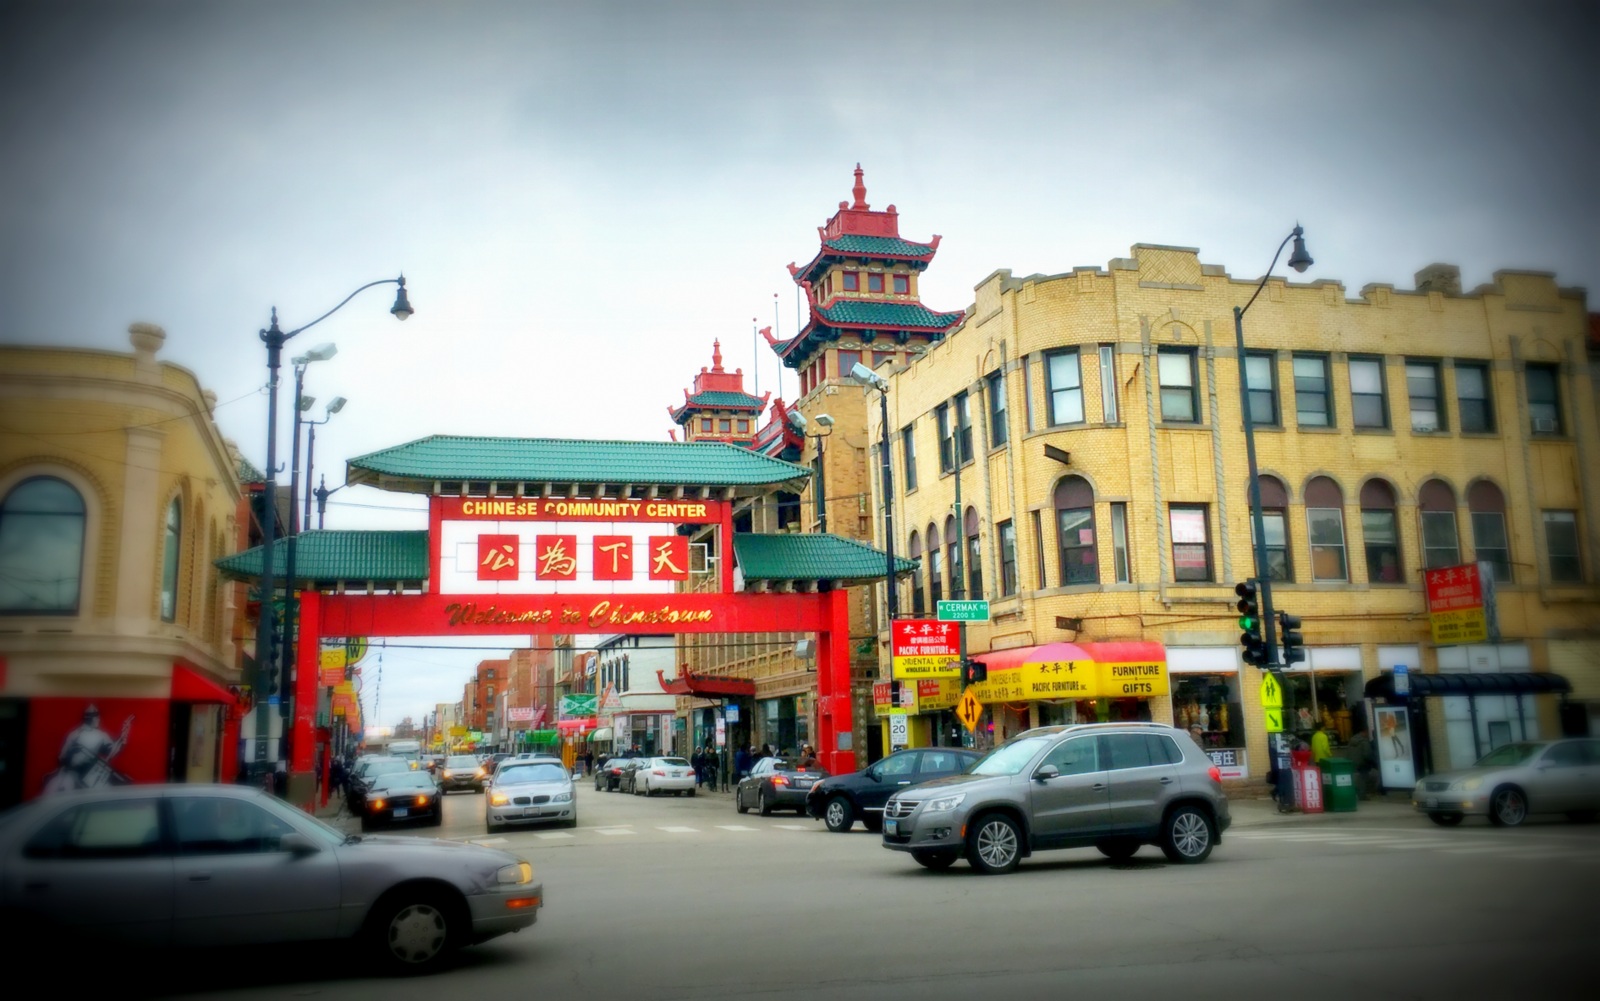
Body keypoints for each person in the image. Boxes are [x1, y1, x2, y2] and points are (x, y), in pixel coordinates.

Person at [1347, 724, 1378, 799]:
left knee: (1354, 778)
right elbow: (1367, 754)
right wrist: (1374, 762)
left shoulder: (1352, 740)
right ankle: (1362, 795)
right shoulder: (1364, 742)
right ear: (1364, 732)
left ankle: (1355, 793)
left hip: (1352, 762)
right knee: (1363, 778)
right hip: (1362, 763)